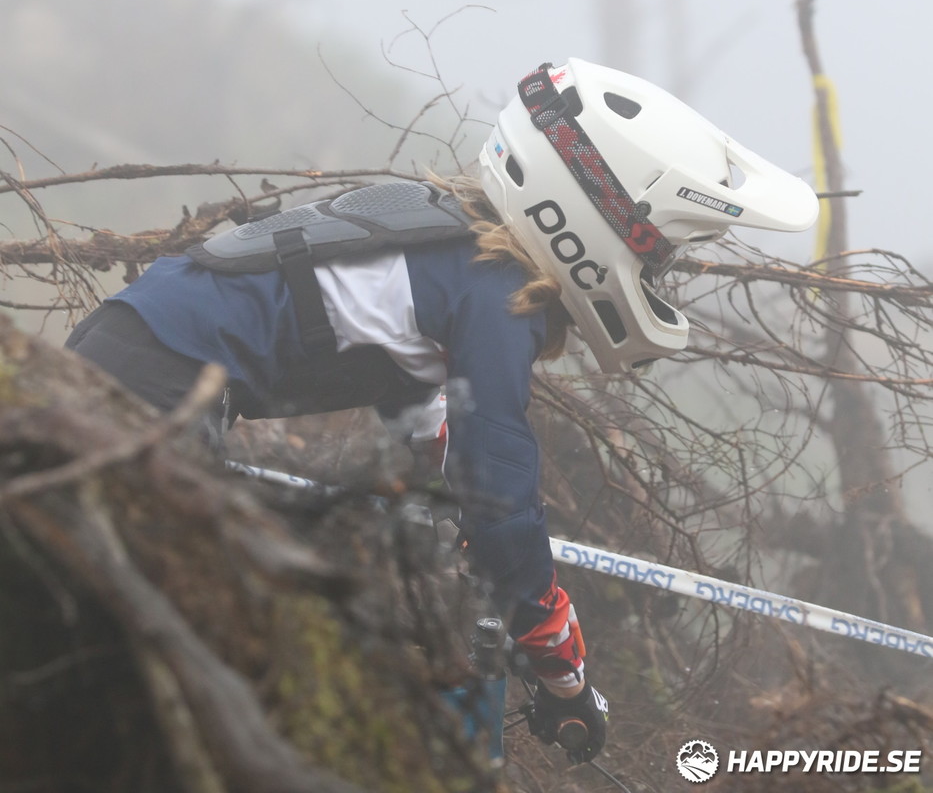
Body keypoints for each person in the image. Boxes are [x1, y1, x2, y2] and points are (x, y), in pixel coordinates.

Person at [66, 58, 818, 764]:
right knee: (180, 653)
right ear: (602, 216)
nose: (656, 272)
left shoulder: (451, 249)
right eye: (653, 252)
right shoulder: (496, 299)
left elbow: (421, 410)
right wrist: (556, 652)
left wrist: (443, 508)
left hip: (147, 346)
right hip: (162, 372)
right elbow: (499, 487)